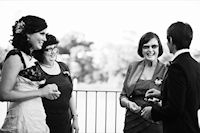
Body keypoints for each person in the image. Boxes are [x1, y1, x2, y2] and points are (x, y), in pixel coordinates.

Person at [0, 15, 61, 133]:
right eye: (42, 34)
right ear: (28, 34)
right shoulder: (15, 57)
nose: (44, 39)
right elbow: (3, 94)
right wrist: (41, 92)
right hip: (21, 120)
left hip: (36, 118)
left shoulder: (30, 58)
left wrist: (49, 90)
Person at [141, 22, 200, 133]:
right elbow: (191, 97)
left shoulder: (176, 67)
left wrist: (152, 112)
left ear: (171, 40)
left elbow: (175, 109)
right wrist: (162, 94)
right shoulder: (196, 66)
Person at [119, 32, 167, 133]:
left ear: (159, 48)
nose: (150, 50)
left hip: (155, 123)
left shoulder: (166, 69)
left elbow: (171, 101)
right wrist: (129, 104)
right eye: (146, 47)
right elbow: (122, 97)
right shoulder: (133, 67)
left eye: (154, 46)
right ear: (141, 49)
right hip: (132, 122)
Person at [33, 34, 79, 133]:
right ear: (40, 51)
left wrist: (75, 118)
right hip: (43, 124)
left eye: (54, 48)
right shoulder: (35, 70)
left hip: (65, 123)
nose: (53, 52)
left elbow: (70, 95)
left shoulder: (64, 67)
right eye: (48, 49)